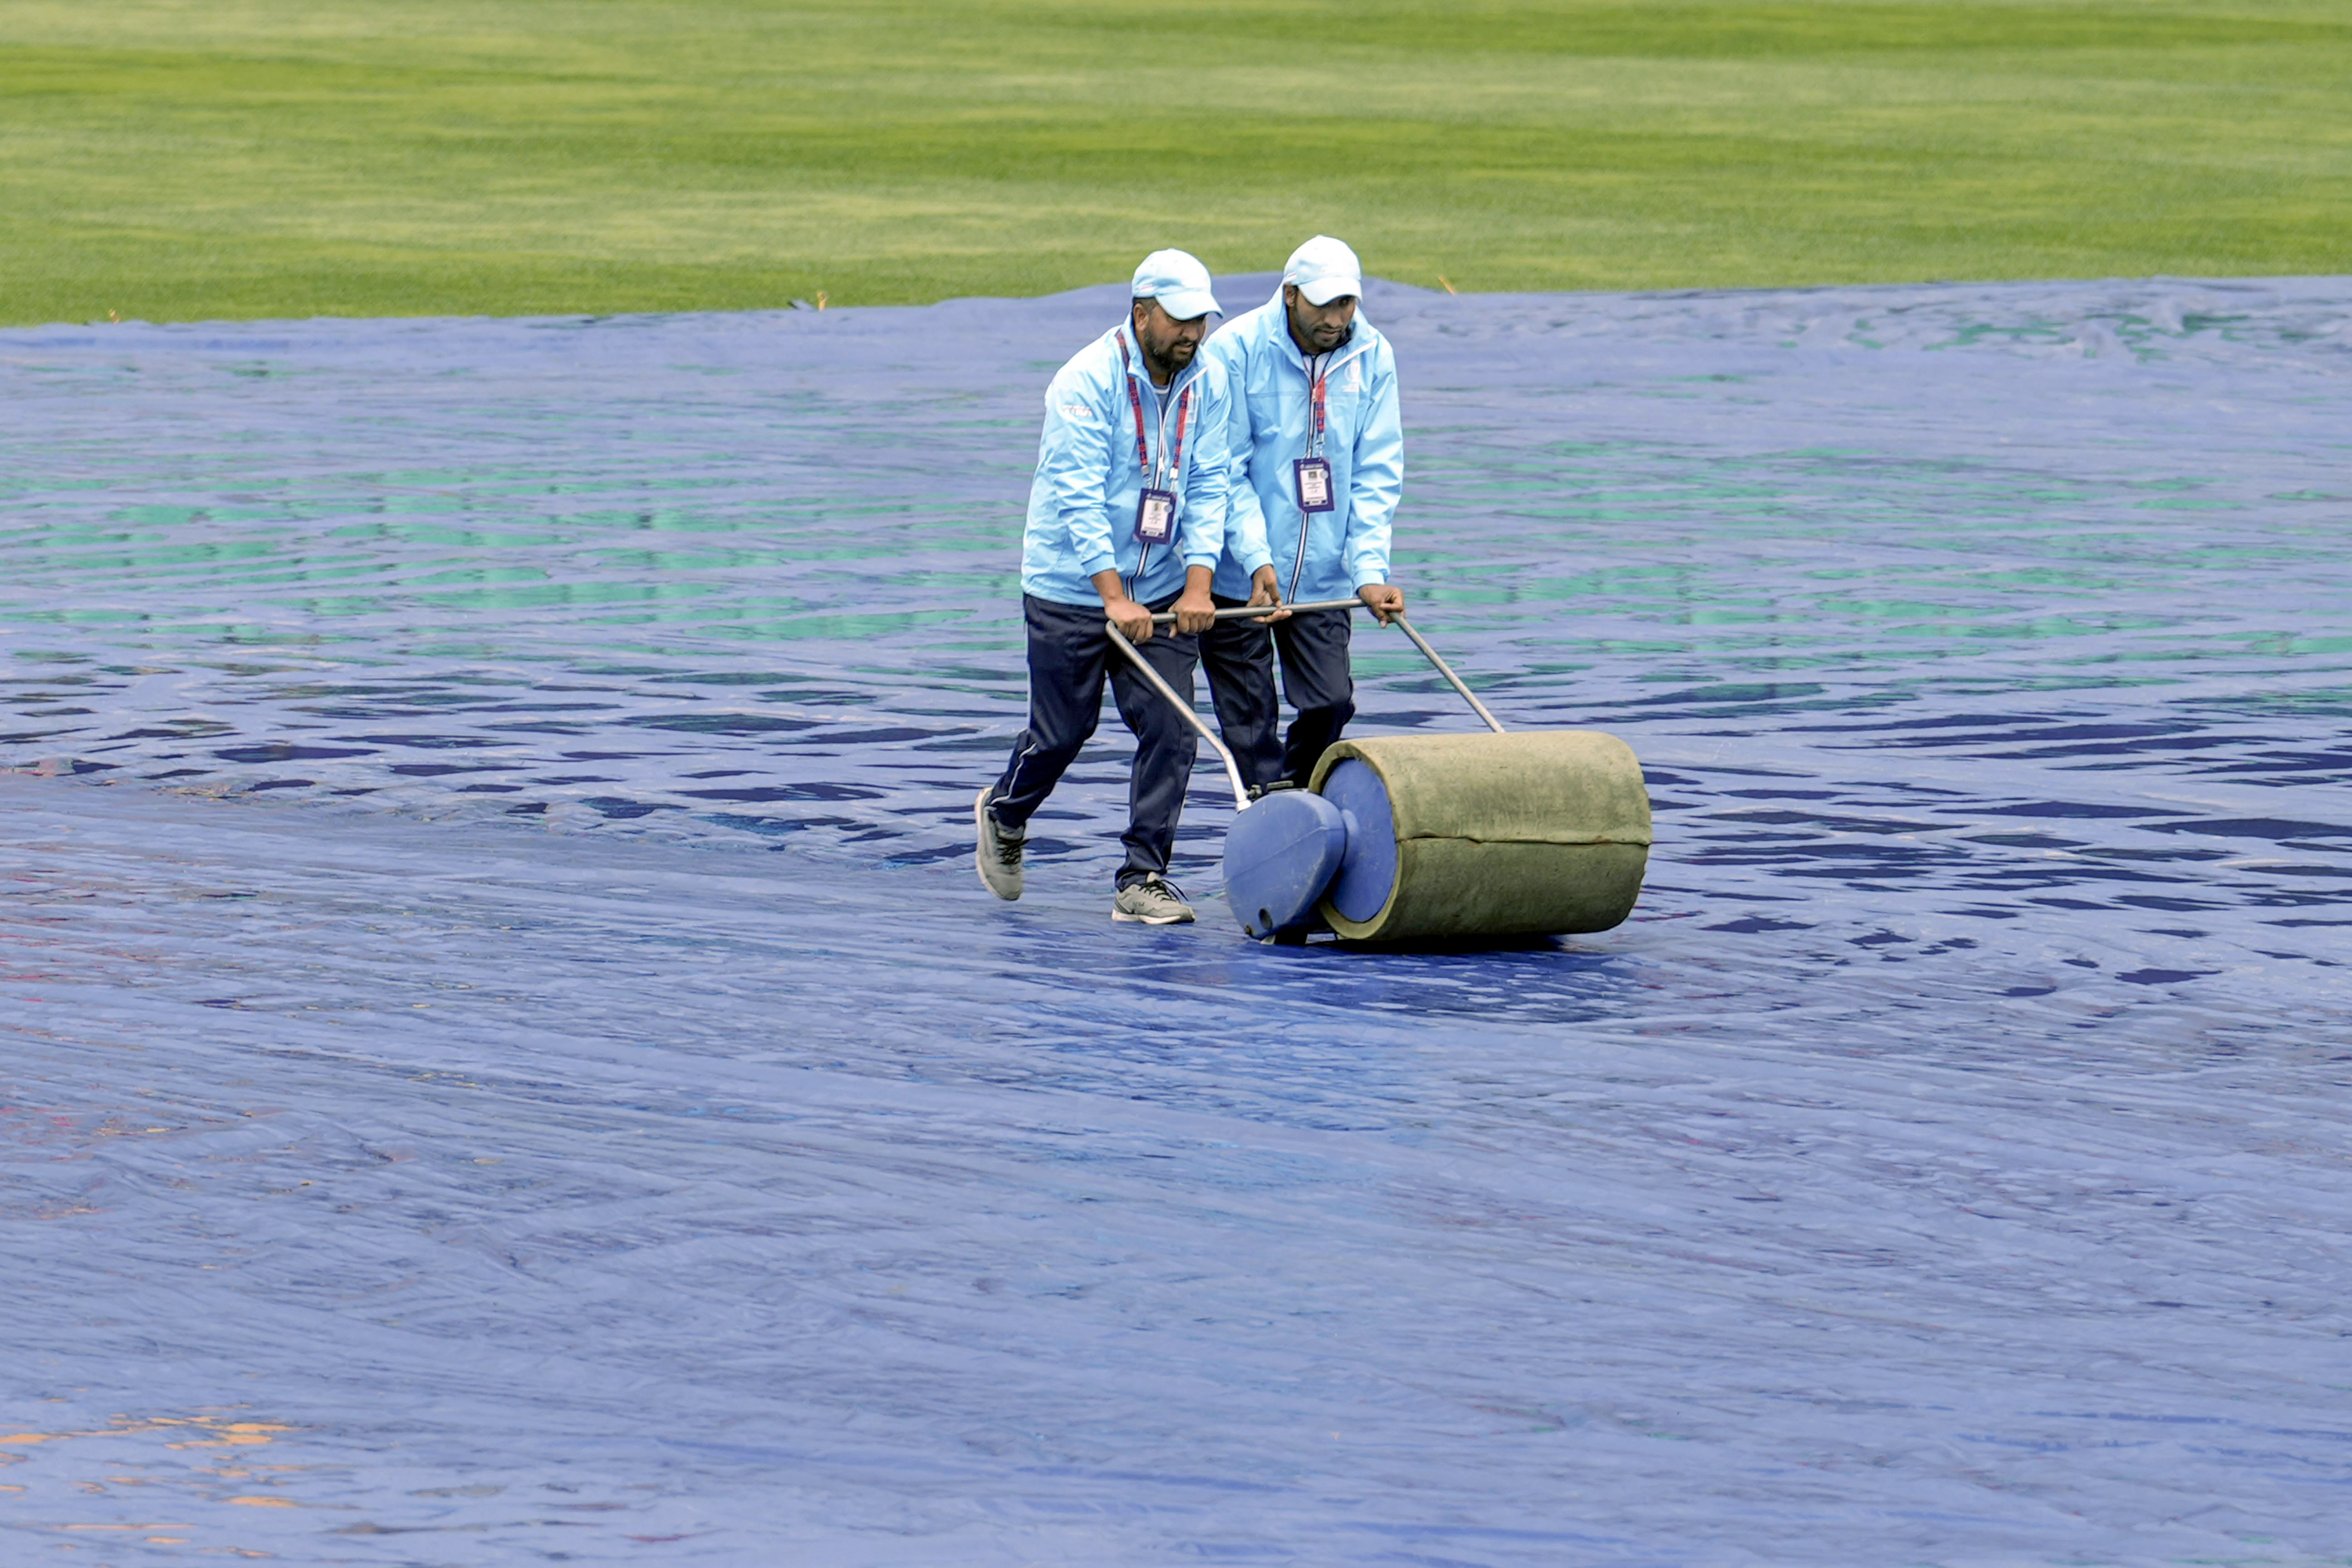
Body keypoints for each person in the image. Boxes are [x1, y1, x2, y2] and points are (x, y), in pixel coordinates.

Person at [974, 250, 1277, 925]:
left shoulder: (1209, 381)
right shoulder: (1084, 382)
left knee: (1173, 729)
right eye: (1178, 321)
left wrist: (1199, 585)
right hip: (1071, 588)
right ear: (1141, 314)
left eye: (1201, 320)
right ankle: (1005, 811)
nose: (1192, 334)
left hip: (1164, 584)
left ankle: (1143, 876)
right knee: (1062, 734)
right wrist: (1113, 596)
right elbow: (1077, 499)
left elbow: (1210, 482)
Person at [1199, 235, 1405, 794]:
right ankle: (1271, 808)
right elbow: (1223, 469)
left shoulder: (1373, 354)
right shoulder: (1234, 349)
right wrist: (1257, 558)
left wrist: (1367, 572)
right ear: (1290, 295)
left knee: (1332, 703)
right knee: (1250, 728)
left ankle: (1300, 812)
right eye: (1324, 304)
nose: (1337, 319)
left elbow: (1376, 471)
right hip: (1238, 577)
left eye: (1348, 304)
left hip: (1323, 577)